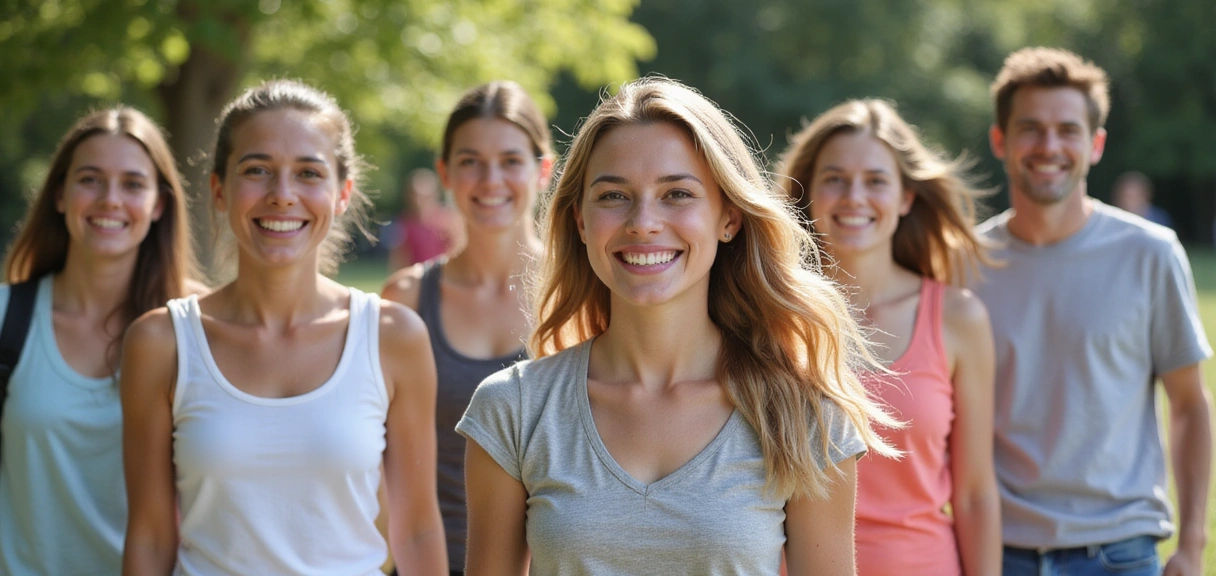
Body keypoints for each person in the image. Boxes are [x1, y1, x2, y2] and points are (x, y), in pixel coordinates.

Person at [456, 77, 898, 575]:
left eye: (677, 194)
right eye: (613, 196)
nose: (643, 222)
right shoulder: (512, 409)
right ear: (580, 220)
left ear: (728, 217)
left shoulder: (805, 414)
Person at [120, 80, 447, 575]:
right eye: (258, 170)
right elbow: (148, 537)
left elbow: (418, 529)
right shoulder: (161, 342)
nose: (282, 195)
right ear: (219, 190)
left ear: (342, 194)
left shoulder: (392, 337)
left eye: (308, 173)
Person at [975, 47, 1212, 576]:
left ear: (1095, 143)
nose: (1049, 145)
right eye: (1031, 128)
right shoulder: (962, 264)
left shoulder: (1150, 253)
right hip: (994, 552)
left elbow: (1191, 406)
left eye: (1067, 130)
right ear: (1001, 140)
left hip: (1119, 553)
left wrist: (1192, 545)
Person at [775, 99, 1001, 575]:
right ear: (807, 193)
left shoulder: (959, 319)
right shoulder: (768, 316)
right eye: (834, 179)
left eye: (876, 180)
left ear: (905, 198)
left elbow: (976, 494)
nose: (853, 196)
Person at [0, 106, 200, 574]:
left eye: (132, 184)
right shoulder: (7, 318)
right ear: (60, 195)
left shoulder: (200, 330)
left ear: (158, 205)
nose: (110, 199)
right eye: (90, 179)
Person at [381, 80, 550, 575]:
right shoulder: (406, 299)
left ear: (543, 170)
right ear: (445, 173)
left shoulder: (584, 296)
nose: (490, 179)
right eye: (471, 161)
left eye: (510, 161)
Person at [387, 168, 463, 271]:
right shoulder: (404, 224)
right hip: (416, 280)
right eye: (416, 195)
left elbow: (458, 253)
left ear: (435, 194)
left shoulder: (449, 221)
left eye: (425, 196)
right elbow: (399, 261)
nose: (419, 201)